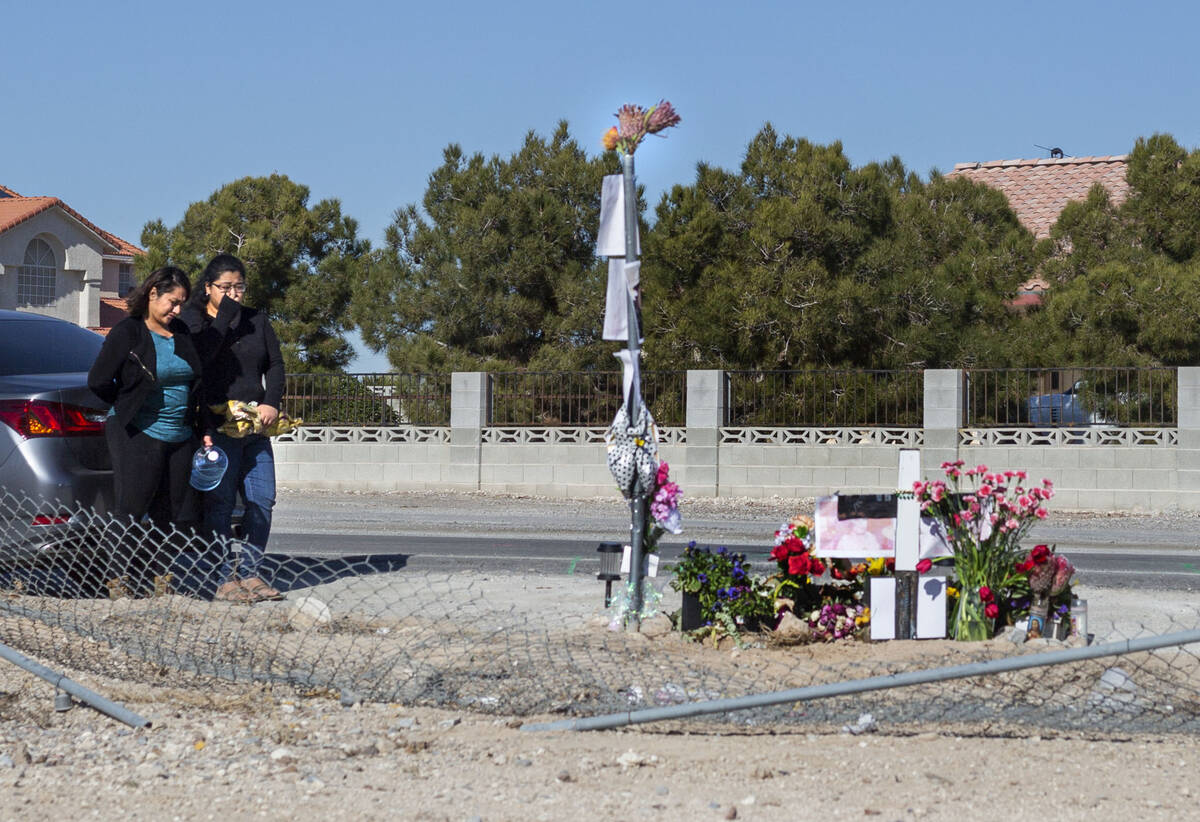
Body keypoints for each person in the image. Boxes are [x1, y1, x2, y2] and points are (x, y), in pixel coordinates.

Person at [87, 266, 209, 595]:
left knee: (168, 511)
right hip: (138, 432)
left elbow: (199, 382)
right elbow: (97, 380)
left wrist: (204, 427)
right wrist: (128, 404)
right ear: (153, 293)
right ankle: (118, 580)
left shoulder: (182, 332)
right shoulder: (128, 332)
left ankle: (161, 581)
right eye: (173, 302)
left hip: (180, 434)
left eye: (182, 303)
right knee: (131, 507)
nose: (177, 310)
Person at [182, 253, 286, 603]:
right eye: (225, 287)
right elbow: (202, 358)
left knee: (262, 499)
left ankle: (252, 573)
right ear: (208, 288)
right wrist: (224, 316)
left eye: (239, 287)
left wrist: (271, 401)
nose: (234, 294)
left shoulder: (257, 320)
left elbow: (274, 364)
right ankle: (224, 578)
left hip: (255, 425)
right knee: (220, 503)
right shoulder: (194, 319)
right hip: (217, 424)